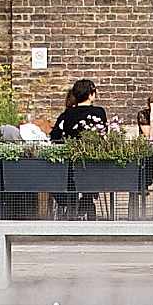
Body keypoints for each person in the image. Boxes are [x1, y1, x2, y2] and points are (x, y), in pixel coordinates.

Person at [51, 78, 109, 220]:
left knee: (69, 176)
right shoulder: (99, 112)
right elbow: (104, 134)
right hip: (94, 164)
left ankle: (72, 205)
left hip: (71, 165)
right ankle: (87, 201)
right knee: (90, 171)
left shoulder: (67, 114)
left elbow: (54, 136)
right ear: (91, 94)